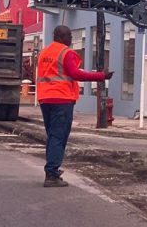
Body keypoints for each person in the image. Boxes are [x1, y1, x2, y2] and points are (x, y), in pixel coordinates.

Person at [37, 25, 113, 187]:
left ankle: (52, 170)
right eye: (70, 35)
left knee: (52, 136)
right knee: (59, 136)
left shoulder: (44, 52)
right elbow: (76, 74)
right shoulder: (66, 52)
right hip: (62, 99)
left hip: (45, 98)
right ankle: (51, 173)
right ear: (63, 37)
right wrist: (101, 76)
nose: (71, 39)